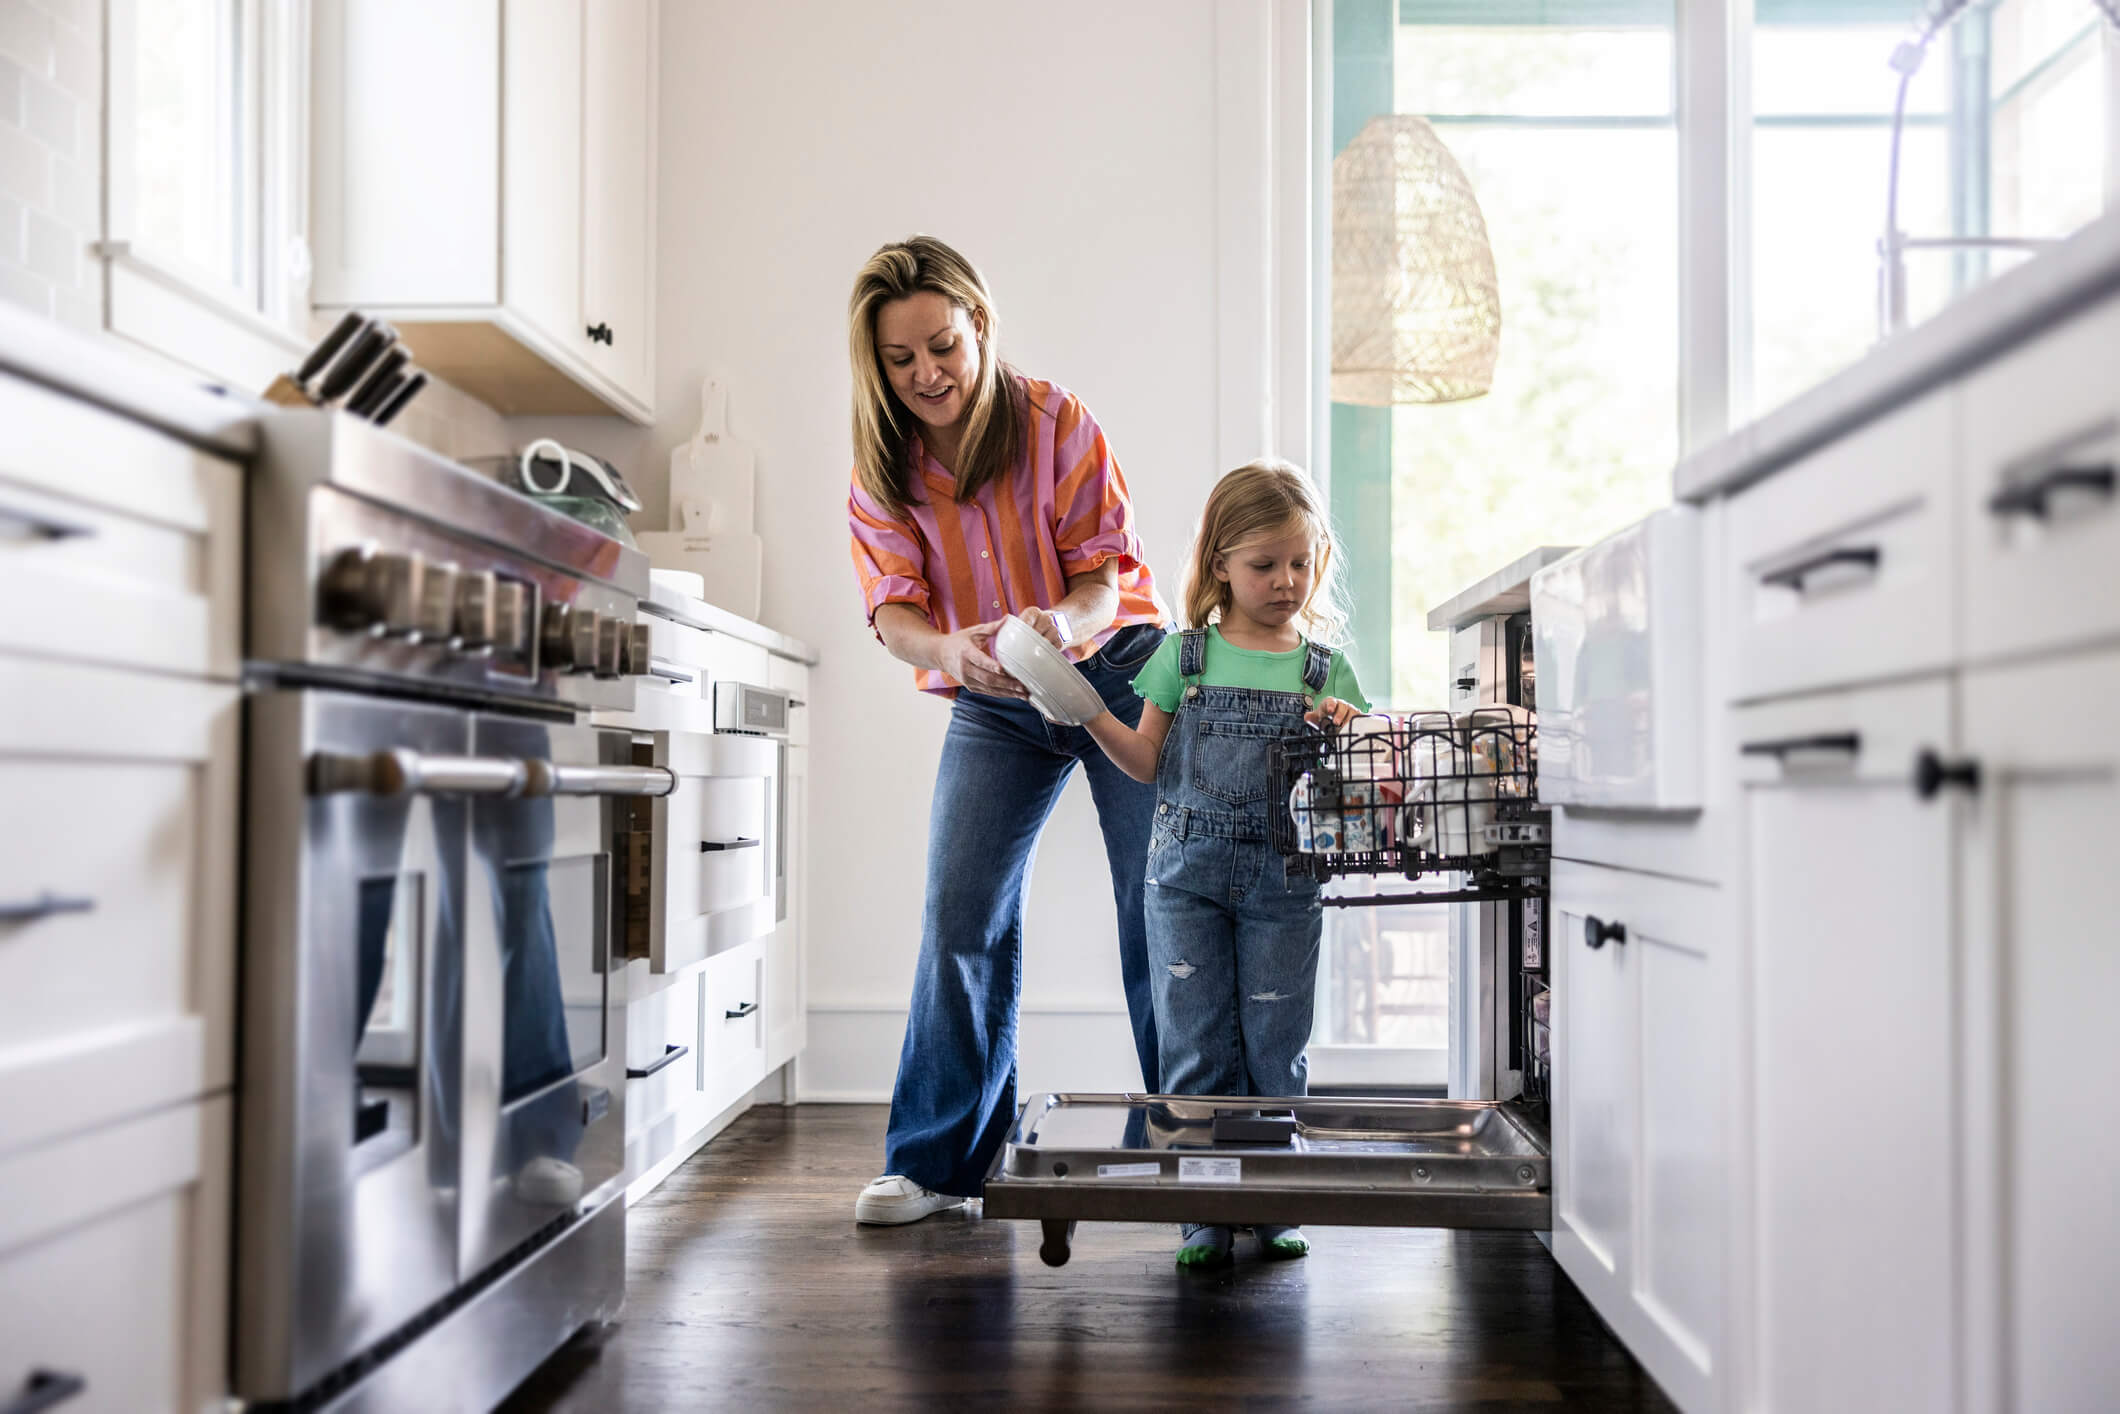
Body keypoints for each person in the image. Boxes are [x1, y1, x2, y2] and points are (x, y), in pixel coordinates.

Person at [845, 236, 1170, 1224]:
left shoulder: (1054, 421)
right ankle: (939, 1168)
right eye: (900, 361)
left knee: (1158, 907)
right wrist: (947, 650)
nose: (925, 374)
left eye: (940, 346)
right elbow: (891, 612)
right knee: (960, 911)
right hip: (992, 693)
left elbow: (1104, 576)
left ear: (977, 325)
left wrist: (1056, 627)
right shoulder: (882, 468)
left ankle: (1195, 1147)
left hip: (1113, 669)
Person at [1081, 460, 1368, 1268]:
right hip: (1184, 886)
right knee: (1197, 1048)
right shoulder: (1184, 657)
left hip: (1285, 886)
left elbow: (1358, 783)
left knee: (1275, 1043)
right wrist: (1091, 714)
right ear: (1220, 566)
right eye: (1264, 564)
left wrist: (1345, 731)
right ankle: (1200, 1209)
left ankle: (1272, 1199)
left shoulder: (1327, 671)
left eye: (1301, 563)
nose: (1285, 582)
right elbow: (1142, 763)